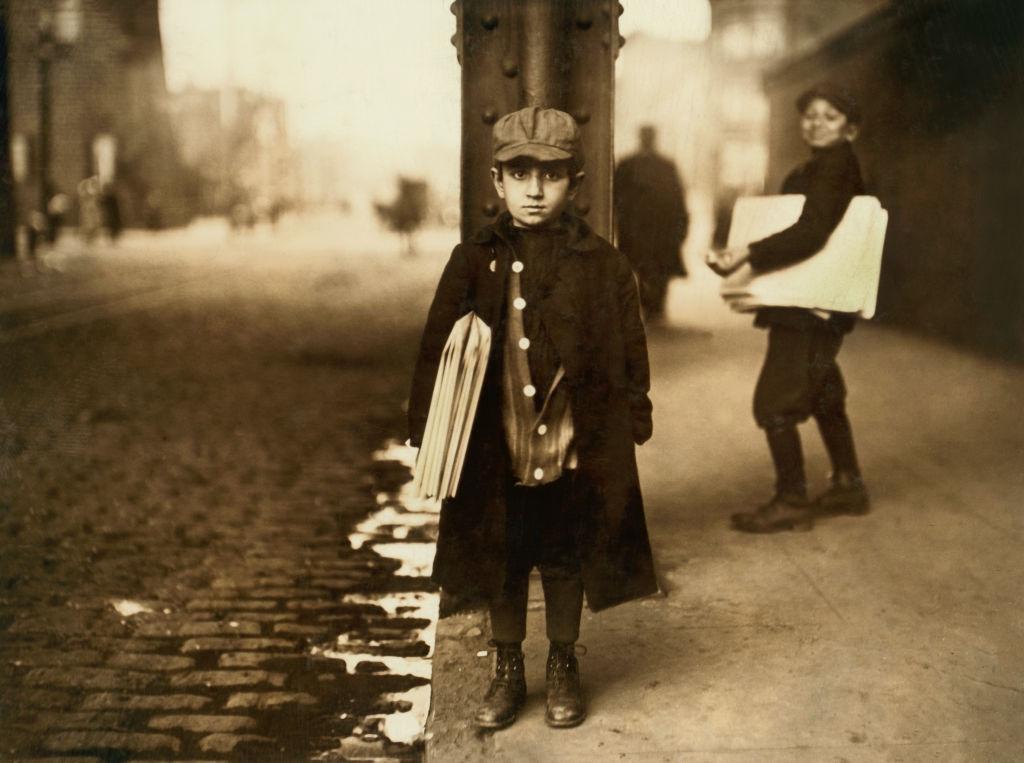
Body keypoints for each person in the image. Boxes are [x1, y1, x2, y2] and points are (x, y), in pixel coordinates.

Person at [408, 107, 658, 730]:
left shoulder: (602, 264)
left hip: (571, 435)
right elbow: (437, 343)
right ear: (497, 182)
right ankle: (508, 667)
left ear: (574, 183)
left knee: (565, 552)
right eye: (519, 173)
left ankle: (564, 662)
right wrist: (426, 426)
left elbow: (630, 345)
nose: (534, 189)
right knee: (504, 552)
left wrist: (633, 411)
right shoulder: (474, 259)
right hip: (501, 436)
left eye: (550, 175)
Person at [707, 82, 871, 533]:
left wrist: (746, 253)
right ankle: (848, 485)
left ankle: (791, 499)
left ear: (851, 130)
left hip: (809, 305)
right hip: (815, 301)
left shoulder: (833, 169)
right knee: (822, 393)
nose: (815, 122)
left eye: (829, 116)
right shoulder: (823, 167)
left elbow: (811, 232)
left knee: (774, 403)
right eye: (810, 114)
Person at [614, 125, 689, 322]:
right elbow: (678, 198)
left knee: (646, 268)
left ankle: (653, 307)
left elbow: (617, 198)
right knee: (655, 269)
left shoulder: (628, 164)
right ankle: (654, 307)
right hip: (654, 229)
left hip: (641, 229)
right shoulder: (665, 166)